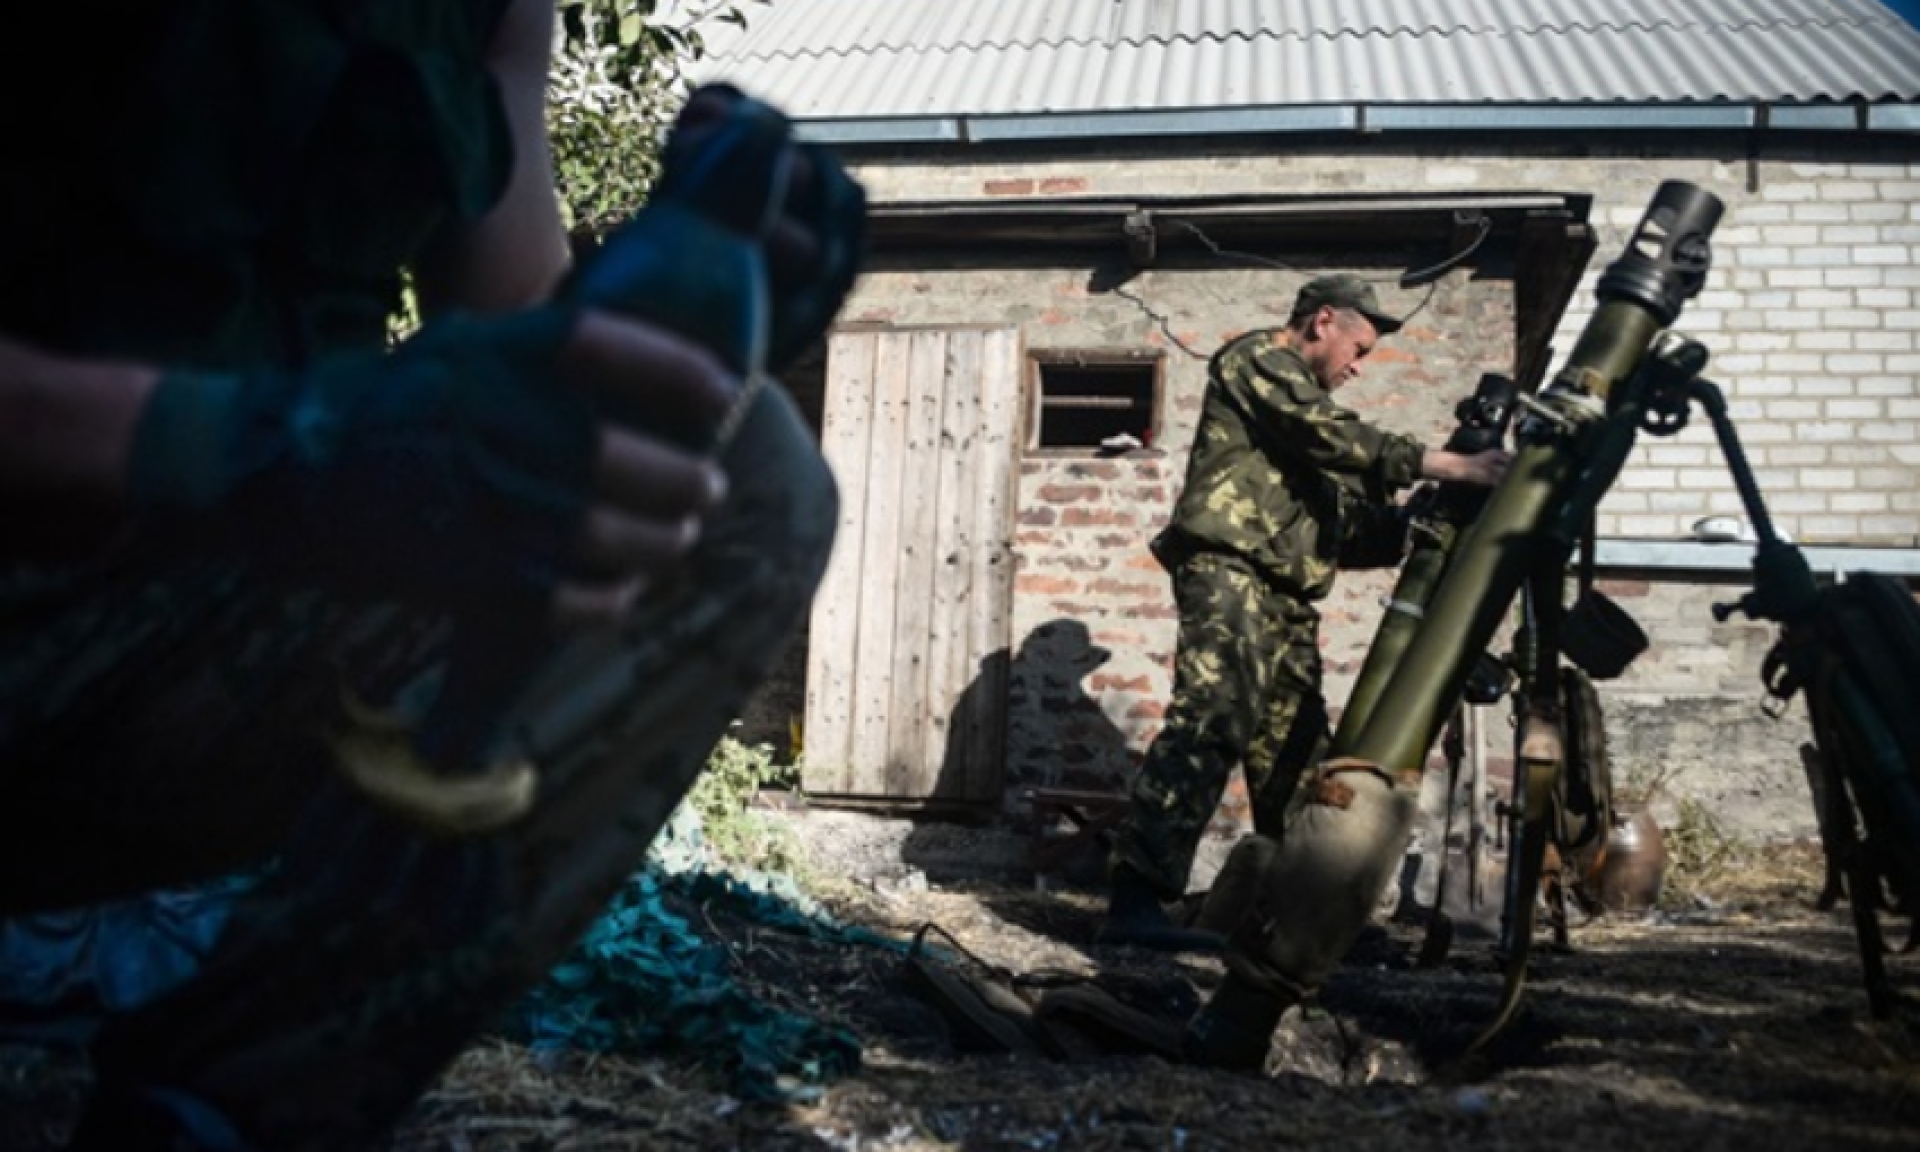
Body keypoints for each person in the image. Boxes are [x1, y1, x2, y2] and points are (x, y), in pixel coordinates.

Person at [0, 2, 862, 1148]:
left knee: (752, 482)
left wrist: (695, 295)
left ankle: (226, 1108)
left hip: (171, 632)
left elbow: (522, 325)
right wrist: (248, 447)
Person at [1100, 275, 1510, 951]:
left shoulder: (1309, 436)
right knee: (1212, 718)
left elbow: (1347, 527)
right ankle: (1135, 901)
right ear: (1323, 321)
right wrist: (1442, 466)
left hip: (1288, 595)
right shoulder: (1258, 362)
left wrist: (1417, 522)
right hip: (1230, 571)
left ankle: (1299, 914)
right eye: (1359, 347)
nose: (1357, 365)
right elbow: (1329, 434)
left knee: (1296, 753)